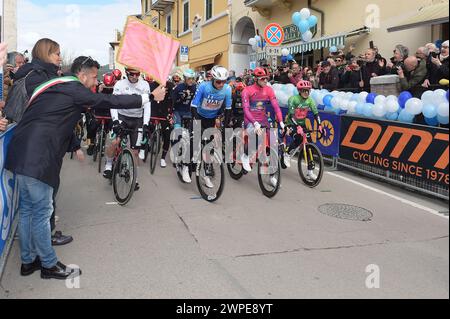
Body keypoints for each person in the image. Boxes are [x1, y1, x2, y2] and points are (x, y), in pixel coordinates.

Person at [5, 56, 165, 280]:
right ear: (81, 74)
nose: (94, 81)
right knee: (41, 213)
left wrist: (74, 146)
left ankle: (28, 261)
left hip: (21, 151)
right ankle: (49, 265)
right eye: (92, 76)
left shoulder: (58, 87)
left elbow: (56, 118)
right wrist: (148, 97)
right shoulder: (74, 88)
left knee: (28, 212)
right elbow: (108, 102)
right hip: (38, 157)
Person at [6, 38, 73, 246]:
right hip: (38, 143)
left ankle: (29, 257)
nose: (60, 57)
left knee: (28, 207)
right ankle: (45, 247)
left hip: (27, 141)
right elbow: (55, 111)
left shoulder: (30, 72)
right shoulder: (41, 77)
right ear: (45, 54)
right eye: (56, 53)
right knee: (43, 201)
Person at [103, 67, 152, 190]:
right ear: (127, 73)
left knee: (135, 152)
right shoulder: (120, 84)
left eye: (137, 74)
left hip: (137, 119)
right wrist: (115, 121)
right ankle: (108, 165)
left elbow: (147, 106)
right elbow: (113, 103)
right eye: (132, 74)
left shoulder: (145, 85)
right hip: (122, 117)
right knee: (115, 142)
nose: (135, 77)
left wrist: (146, 123)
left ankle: (134, 176)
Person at [185, 65, 232, 187]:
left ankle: (206, 174)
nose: (221, 84)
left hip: (211, 119)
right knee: (195, 143)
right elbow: (194, 105)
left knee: (208, 148)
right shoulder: (203, 87)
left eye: (224, 82)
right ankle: (186, 166)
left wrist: (225, 128)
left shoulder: (227, 89)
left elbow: (228, 109)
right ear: (213, 79)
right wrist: (196, 122)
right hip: (198, 115)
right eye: (218, 82)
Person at [241, 67, 285, 187]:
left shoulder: (269, 90)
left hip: (263, 119)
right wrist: (254, 123)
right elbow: (246, 110)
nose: (266, 81)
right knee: (255, 135)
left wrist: (281, 121)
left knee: (273, 145)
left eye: (267, 78)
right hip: (250, 119)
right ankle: (245, 156)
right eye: (263, 79)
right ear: (256, 79)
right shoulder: (247, 90)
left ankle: (271, 176)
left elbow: (276, 107)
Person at [283, 80, 323, 179]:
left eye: (308, 91)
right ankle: (287, 154)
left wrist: (320, 125)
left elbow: (316, 114)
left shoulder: (310, 100)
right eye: (304, 91)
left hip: (302, 124)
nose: (306, 93)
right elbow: (291, 116)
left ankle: (310, 172)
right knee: (299, 138)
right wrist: (297, 126)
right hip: (291, 123)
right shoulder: (293, 99)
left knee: (309, 145)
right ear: (299, 91)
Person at [149, 78, 174, 168]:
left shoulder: (170, 85)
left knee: (167, 135)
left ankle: (163, 158)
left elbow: (172, 101)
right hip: (154, 111)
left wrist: (170, 114)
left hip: (165, 112)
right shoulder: (151, 85)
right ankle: (145, 146)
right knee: (147, 128)